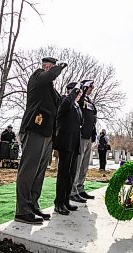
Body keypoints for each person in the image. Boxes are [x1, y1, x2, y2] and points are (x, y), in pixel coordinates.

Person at [14, 56, 67, 225]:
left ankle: (33, 205)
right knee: (29, 169)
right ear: (45, 66)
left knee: (39, 172)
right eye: (50, 67)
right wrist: (58, 68)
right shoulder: (37, 77)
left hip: (47, 133)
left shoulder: (50, 88)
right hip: (35, 128)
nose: (52, 70)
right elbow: (48, 77)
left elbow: (61, 103)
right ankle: (22, 210)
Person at [53, 83, 83, 215]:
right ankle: (58, 203)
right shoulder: (65, 100)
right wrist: (74, 91)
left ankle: (65, 201)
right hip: (65, 142)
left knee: (71, 174)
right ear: (72, 91)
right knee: (63, 173)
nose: (79, 95)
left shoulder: (76, 105)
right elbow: (63, 109)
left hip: (75, 143)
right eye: (78, 92)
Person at [70, 80, 97, 203]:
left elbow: (93, 117)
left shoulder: (90, 101)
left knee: (85, 166)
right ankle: (73, 190)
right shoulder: (80, 99)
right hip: (80, 136)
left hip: (89, 136)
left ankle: (80, 188)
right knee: (78, 164)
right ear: (85, 87)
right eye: (90, 86)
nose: (92, 88)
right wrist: (82, 89)